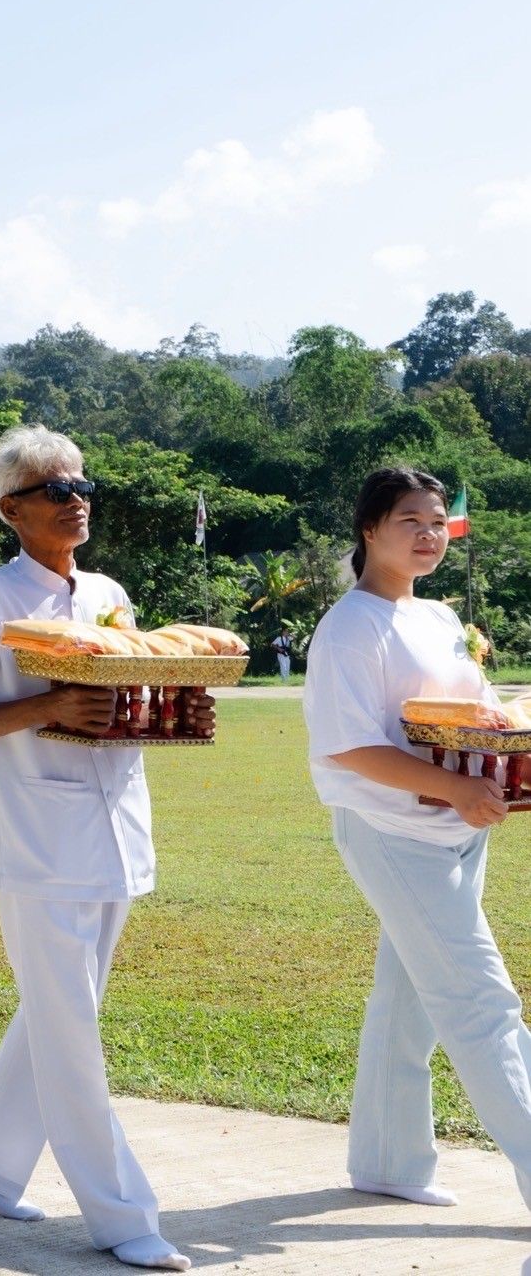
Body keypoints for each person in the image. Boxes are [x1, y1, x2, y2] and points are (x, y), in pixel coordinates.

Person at [0, 425, 204, 1273]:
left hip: (117, 824)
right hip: (39, 841)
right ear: (11, 509)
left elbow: (122, 691)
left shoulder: (109, 592)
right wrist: (40, 711)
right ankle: (125, 1217)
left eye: (83, 485)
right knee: (71, 1028)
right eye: (55, 489)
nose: (77, 499)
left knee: (62, 1012)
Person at [302, 466, 531, 1213]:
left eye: (437, 522)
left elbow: (478, 713)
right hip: (394, 832)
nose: (430, 534)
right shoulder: (348, 627)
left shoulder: (436, 618)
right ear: (370, 529)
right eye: (411, 521)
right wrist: (458, 789)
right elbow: (345, 747)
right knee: (480, 1002)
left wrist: (499, 741)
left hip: (462, 829)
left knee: (409, 1000)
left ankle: (389, 1162)